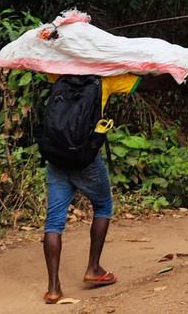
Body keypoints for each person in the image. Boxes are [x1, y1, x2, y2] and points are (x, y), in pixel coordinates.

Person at [42, 72, 169, 304]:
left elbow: (42, 63)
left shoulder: (59, 73)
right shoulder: (106, 80)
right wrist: (174, 74)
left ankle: (53, 288)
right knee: (103, 206)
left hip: (57, 158)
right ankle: (93, 268)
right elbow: (145, 84)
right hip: (86, 160)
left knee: (53, 222)